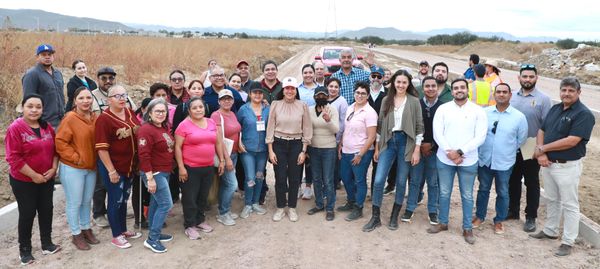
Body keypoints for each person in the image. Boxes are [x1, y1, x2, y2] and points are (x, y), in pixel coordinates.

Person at [530, 77, 595, 257]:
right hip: (548, 163)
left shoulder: (584, 114)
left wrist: (542, 148)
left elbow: (572, 141)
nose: (566, 94)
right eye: (564, 90)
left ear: (579, 92)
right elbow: (542, 130)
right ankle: (551, 230)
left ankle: (568, 240)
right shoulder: (555, 108)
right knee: (552, 199)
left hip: (567, 167)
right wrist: (541, 154)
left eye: (571, 91)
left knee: (569, 204)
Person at [427, 78, 487, 245]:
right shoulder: (443, 109)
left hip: (468, 160)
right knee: (444, 192)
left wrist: (460, 152)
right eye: (455, 88)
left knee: (467, 195)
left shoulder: (478, 111)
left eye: (462, 87)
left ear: (467, 90)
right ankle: (443, 222)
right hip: (445, 159)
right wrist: (449, 152)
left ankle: (467, 228)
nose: (459, 90)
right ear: (451, 91)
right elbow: (437, 132)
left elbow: (480, 136)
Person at [363, 70, 424, 232]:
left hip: (406, 142)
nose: (401, 85)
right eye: (398, 82)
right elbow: (380, 126)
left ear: (408, 84)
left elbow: (419, 127)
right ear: (393, 83)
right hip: (388, 142)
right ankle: (375, 217)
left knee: (401, 181)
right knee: (378, 179)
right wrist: (377, 147)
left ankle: (393, 216)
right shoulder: (386, 100)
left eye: (404, 82)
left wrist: (417, 149)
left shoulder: (414, 101)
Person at [6, 94, 61, 265]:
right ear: (22, 107)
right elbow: (14, 159)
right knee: (28, 213)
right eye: (30, 106)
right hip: (23, 180)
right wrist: (34, 176)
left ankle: (47, 244)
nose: (34, 110)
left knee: (46, 210)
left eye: (38, 106)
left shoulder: (47, 128)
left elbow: (56, 151)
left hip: (46, 178)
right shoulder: (15, 128)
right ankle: (25, 251)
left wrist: (53, 168)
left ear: (42, 109)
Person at [472, 83, 528, 235]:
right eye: (498, 92)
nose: (501, 94)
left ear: (510, 95)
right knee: (483, 189)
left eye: (505, 92)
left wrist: (505, 149)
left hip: (505, 161)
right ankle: (479, 216)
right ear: (494, 95)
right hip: (485, 160)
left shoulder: (519, 117)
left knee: (503, 191)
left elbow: (521, 139)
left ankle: (499, 220)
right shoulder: (485, 113)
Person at [95, 85, 142, 249]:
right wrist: (111, 170)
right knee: (115, 200)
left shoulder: (129, 112)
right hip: (114, 167)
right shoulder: (104, 119)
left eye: (124, 95)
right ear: (109, 100)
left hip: (129, 166)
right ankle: (116, 235)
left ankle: (123, 230)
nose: (122, 98)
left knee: (124, 199)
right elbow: (101, 148)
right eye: (117, 96)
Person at [508, 64, 553, 232]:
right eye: (524, 76)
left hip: (531, 148)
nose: (527, 79)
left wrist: (542, 150)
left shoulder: (544, 99)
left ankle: (530, 217)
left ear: (536, 78)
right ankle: (512, 211)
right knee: (512, 180)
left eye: (531, 77)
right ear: (519, 78)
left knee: (531, 182)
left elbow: (547, 126)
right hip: (512, 146)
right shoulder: (511, 96)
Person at [55, 87, 100, 251]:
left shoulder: (94, 117)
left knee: (87, 200)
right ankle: (76, 234)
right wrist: (76, 158)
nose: (86, 101)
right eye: (81, 98)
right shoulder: (70, 118)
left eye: (89, 98)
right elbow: (60, 142)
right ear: (75, 101)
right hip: (74, 167)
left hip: (91, 167)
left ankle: (86, 228)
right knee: (75, 202)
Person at [175, 97, 225, 239]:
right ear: (189, 111)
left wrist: (221, 160)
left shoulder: (210, 122)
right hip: (190, 168)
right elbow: (177, 148)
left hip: (208, 167)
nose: (198, 110)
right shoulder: (183, 125)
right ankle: (189, 225)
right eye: (195, 108)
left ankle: (199, 220)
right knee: (190, 198)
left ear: (205, 108)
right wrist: (181, 167)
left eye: (200, 107)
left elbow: (218, 143)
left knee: (203, 196)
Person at [266, 77, 313, 222]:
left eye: (292, 88)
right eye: (287, 88)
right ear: (283, 90)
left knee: (294, 178)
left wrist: (303, 151)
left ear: (296, 90)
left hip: (296, 145)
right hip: (278, 144)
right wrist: (271, 150)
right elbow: (270, 128)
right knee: (280, 177)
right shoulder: (275, 104)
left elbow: (307, 128)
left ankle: (292, 207)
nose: (290, 91)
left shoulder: (303, 105)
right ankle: (280, 207)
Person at [137, 98, 175, 253]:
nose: (161, 114)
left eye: (163, 111)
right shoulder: (146, 130)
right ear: (149, 113)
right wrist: (150, 178)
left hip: (164, 171)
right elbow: (143, 155)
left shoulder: (163, 127)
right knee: (166, 204)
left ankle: (156, 233)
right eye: (157, 111)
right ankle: (152, 239)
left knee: (156, 203)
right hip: (154, 173)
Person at [337, 81, 377, 222]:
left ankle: (358, 207)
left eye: (363, 93)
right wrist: (340, 145)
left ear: (367, 95)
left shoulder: (370, 112)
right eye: (357, 92)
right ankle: (351, 201)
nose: (359, 95)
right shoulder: (350, 108)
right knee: (345, 177)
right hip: (346, 150)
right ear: (354, 93)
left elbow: (372, 137)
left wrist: (360, 154)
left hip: (361, 152)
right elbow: (345, 129)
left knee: (359, 180)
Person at [306, 86, 339, 221]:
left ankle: (330, 207)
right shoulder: (309, 110)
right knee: (316, 178)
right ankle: (319, 204)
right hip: (313, 148)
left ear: (327, 96)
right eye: (318, 95)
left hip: (328, 149)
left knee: (328, 179)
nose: (321, 97)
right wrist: (306, 148)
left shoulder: (332, 109)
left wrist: (328, 120)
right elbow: (307, 129)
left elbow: (336, 129)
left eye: (323, 95)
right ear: (314, 97)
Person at [237, 86, 270, 218]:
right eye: (255, 92)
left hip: (263, 149)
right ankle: (248, 204)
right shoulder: (243, 110)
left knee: (259, 176)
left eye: (260, 93)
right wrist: (239, 143)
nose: (257, 95)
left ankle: (256, 202)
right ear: (250, 94)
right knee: (250, 177)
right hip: (247, 149)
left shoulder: (268, 109)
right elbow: (237, 127)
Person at [210, 89, 242, 226]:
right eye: (223, 99)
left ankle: (225, 210)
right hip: (224, 155)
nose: (227, 101)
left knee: (226, 184)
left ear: (233, 100)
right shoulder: (216, 115)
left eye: (229, 98)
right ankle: (223, 213)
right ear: (219, 101)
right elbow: (219, 138)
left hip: (234, 153)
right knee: (232, 184)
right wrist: (226, 159)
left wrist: (239, 144)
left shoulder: (232, 114)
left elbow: (236, 132)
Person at [415, 76, 443, 225]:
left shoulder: (444, 107)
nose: (430, 89)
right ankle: (411, 206)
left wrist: (432, 145)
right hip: (418, 149)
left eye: (433, 86)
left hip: (435, 151)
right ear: (423, 88)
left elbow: (445, 131)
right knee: (415, 180)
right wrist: (419, 146)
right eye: (427, 86)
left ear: (437, 88)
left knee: (433, 182)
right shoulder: (417, 105)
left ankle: (433, 210)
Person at [367, 66, 396, 196]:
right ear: (370, 77)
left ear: (384, 78)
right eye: (374, 76)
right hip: (364, 136)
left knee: (377, 165)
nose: (376, 79)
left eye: (379, 76)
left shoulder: (389, 95)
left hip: (382, 136)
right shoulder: (363, 93)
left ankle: (375, 193)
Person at [21, 44, 65, 129]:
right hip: (43, 122)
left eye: (50, 54)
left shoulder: (57, 73)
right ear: (37, 57)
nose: (47, 57)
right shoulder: (32, 74)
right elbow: (28, 100)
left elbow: (61, 96)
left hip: (60, 121)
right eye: (44, 55)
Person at [298, 64, 319, 199]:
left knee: (310, 159)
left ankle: (308, 187)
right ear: (302, 74)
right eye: (305, 72)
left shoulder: (319, 89)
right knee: (298, 158)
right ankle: (298, 186)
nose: (308, 75)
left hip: (314, 128)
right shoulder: (297, 89)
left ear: (314, 74)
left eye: (310, 72)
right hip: (298, 128)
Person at [327, 77, 349, 190]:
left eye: (336, 87)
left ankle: (335, 183)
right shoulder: (323, 99)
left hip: (336, 137)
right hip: (323, 137)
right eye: (331, 86)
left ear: (339, 89)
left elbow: (343, 121)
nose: (333, 89)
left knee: (335, 164)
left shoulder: (342, 101)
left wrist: (341, 139)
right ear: (327, 87)